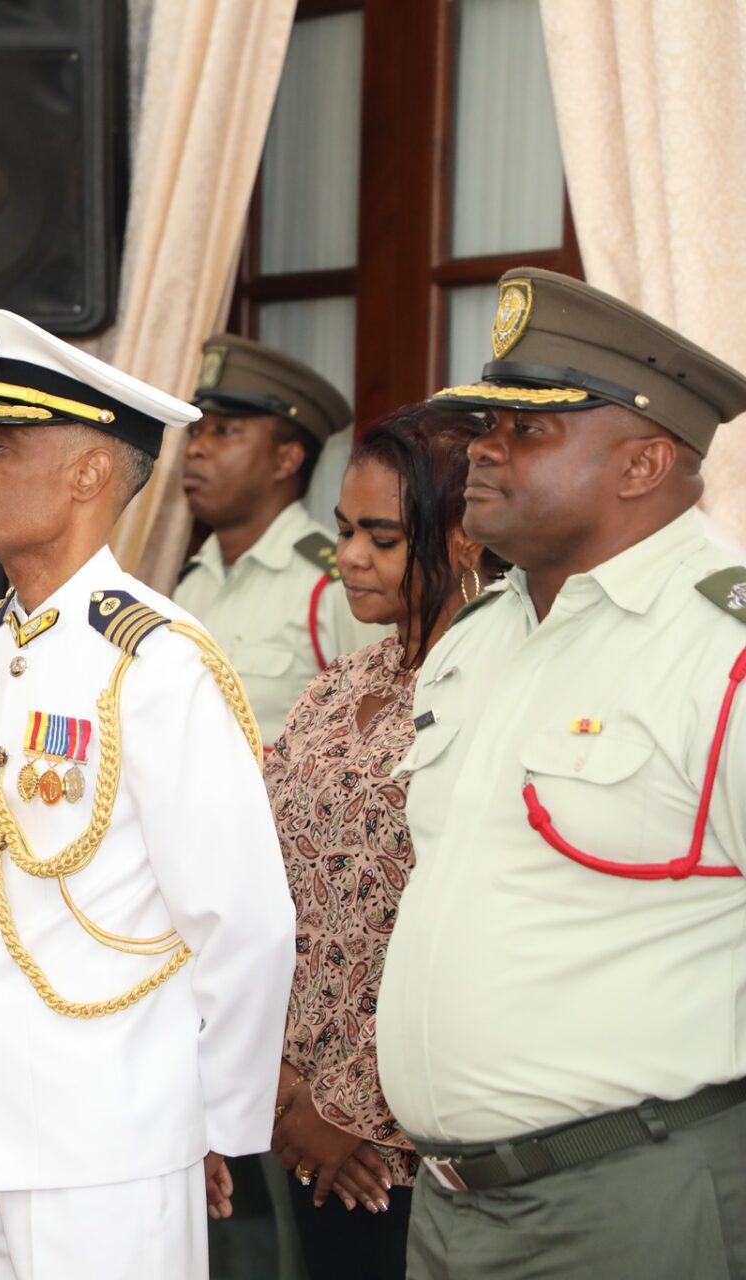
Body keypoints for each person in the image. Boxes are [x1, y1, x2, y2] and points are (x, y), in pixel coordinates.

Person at [380, 268, 746, 1279]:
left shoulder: (721, 647)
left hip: (636, 1199)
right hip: (450, 1207)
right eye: (487, 422)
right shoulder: (478, 639)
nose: (483, 448)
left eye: (529, 429)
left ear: (643, 464)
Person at [0, 310, 295, 1278]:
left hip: (109, 1134)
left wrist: (210, 1121)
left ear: (91, 474)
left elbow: (244, 919)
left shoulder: (157, 660)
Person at [263, 405, 505, 1279]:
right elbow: (263, 877)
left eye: (385, 538)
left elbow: (467, 925)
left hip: (407, 1136)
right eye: (343, 532)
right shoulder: (343, 685)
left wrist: (350, 1107)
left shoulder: (497, 688)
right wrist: (285, 1093)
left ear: (466, 538)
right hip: (293, 1112)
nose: (351, 558)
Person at [175, 335, 387, 739]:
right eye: (196, 432)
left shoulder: (336, 583)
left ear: (286, 459)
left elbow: (375, 735)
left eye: (224, 431)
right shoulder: (191, 579)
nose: (196, 449)